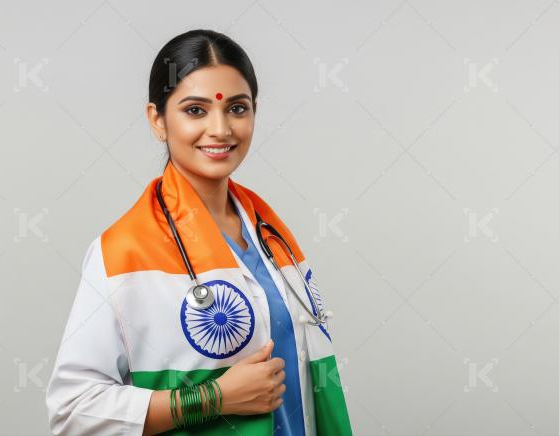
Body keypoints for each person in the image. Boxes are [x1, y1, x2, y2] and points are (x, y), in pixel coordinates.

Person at [46, 29, 352, 436]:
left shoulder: (271, 236)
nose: (221, 129)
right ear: (157, 120)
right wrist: (213, 399)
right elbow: (72, 410)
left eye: (238, 109)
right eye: (195, 110)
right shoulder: (123, 250)